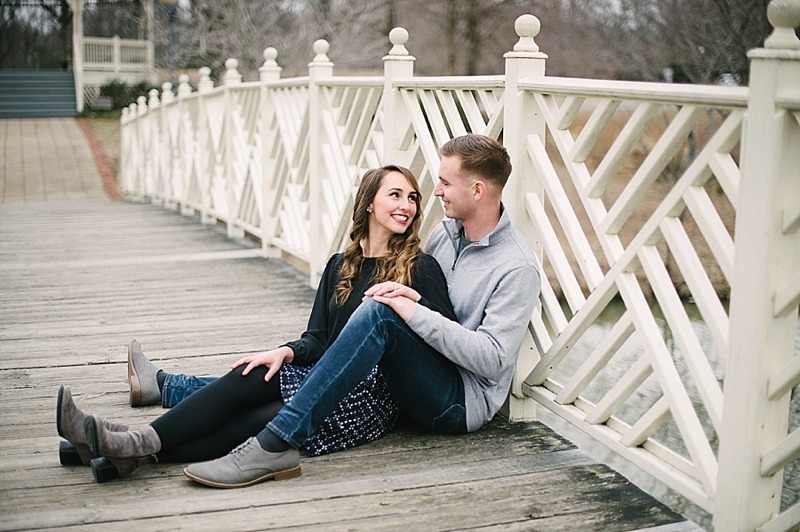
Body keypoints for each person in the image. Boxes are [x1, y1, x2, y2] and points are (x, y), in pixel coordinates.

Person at [179, 133, 541, 488]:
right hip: (417, 375)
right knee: (264, 381)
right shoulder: (445, 234)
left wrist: (411, 308)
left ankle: (275, 442)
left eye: (445, 182)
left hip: (460, 403)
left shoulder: (516, 266)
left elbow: (493, 360)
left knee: (379, 312)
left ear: (477, 190)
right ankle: (143, 444)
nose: (435, 192)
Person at [56, 165, 457, 481]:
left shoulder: (420, 268)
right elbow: (316, 340)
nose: (407, 205)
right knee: (252, 373)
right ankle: (122, 449)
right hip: (319, 376)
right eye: (395, 194)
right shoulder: (340, 266)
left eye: (413, 198)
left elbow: (446, 340)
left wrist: (414, 302)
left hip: (367, 399)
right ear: (369, 202)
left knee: (257, 420)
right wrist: (284, 352)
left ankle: (113, 446)